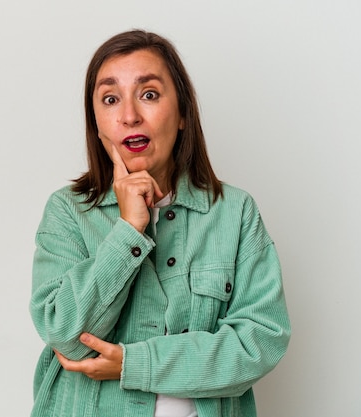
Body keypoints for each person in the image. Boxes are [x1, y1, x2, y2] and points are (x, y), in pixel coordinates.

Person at [29, 29, 290, 417]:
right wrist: (128, 231)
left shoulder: (234, 212)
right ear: (97, 123)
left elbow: (259, 342)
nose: (130, 115)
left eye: (149, 94)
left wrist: (138, 364)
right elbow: (65, 334)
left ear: (183, 113)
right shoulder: (68, 212)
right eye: (110, 98)